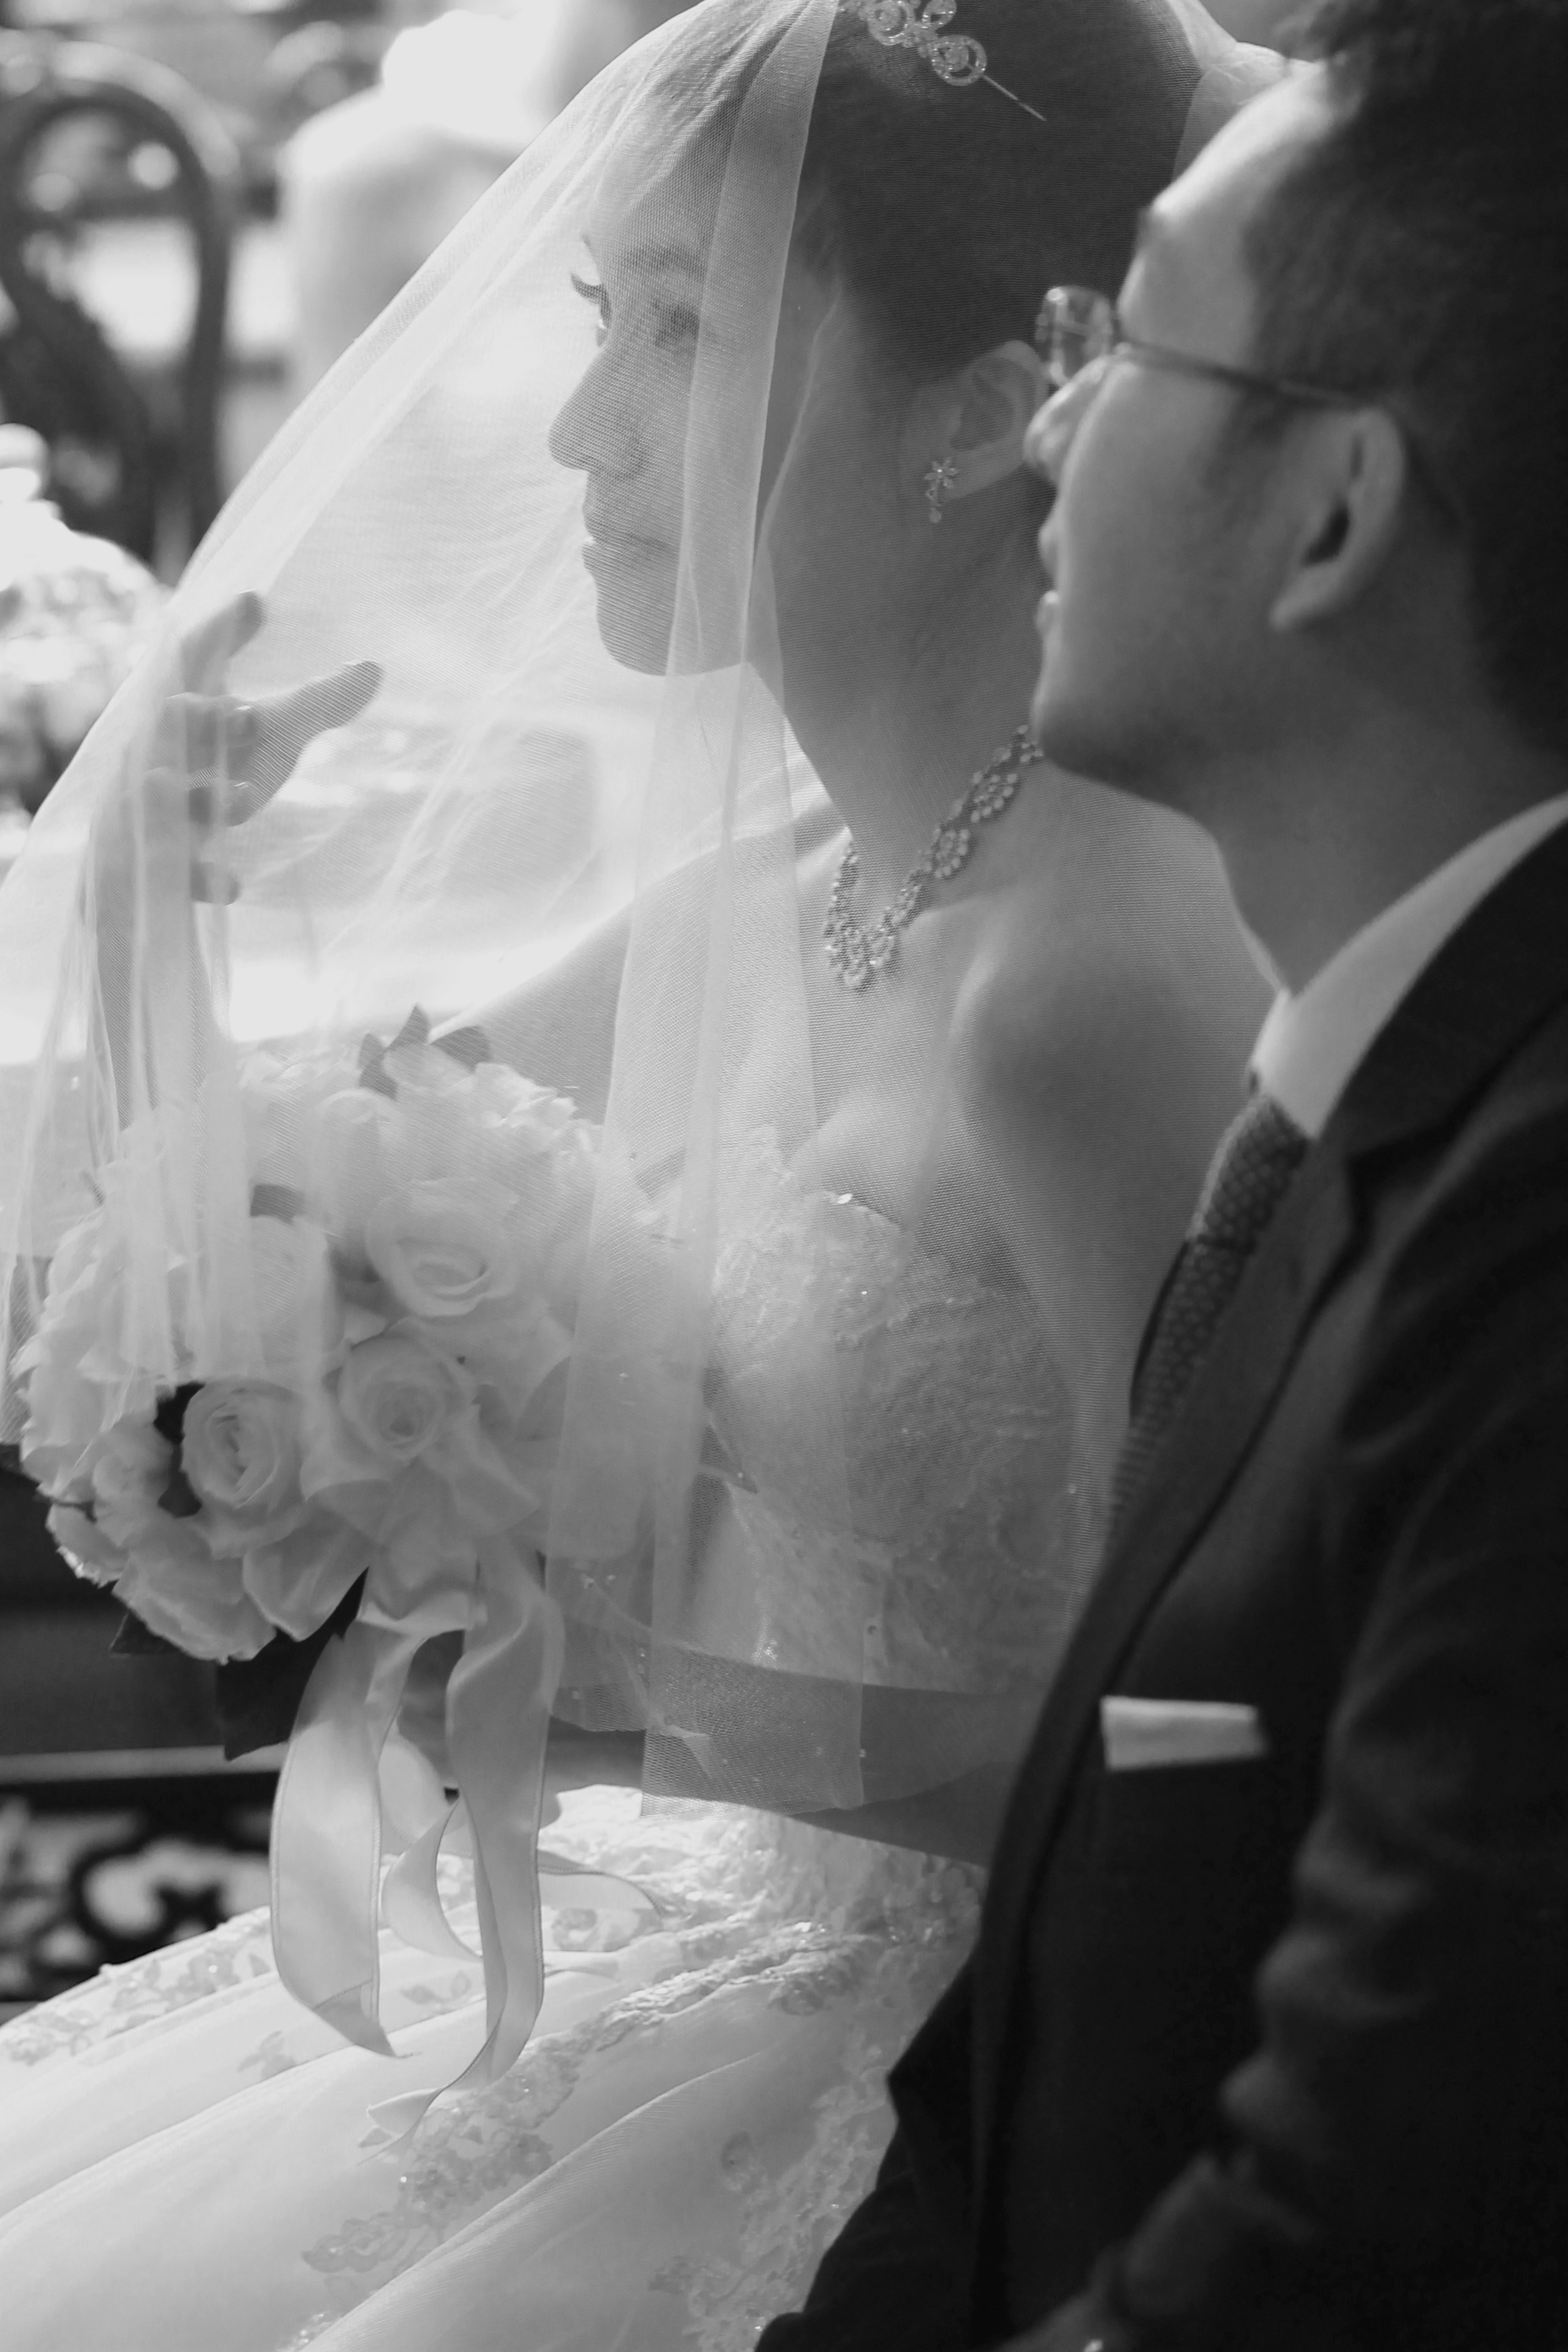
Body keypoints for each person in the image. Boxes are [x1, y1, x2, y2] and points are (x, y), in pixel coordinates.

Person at [0, 2, 1277, 2344]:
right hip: (695, 1927)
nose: (584, 425)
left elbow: (1208, 1767)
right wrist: (142, 914)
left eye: (682, 328)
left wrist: (647, 1702)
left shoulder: (1092, 999)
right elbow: (255, 1190)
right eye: (605, 317)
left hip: (971, 2087)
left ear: (987, 405)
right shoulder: (811, 882)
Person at [758, 0, 1568, 2345]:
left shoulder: (1531, 1246)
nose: (1052, 425)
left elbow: (1385, 2202)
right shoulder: (1341, 1111)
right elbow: (1026, 2040)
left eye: (1125, 350)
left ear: (1335, 512)